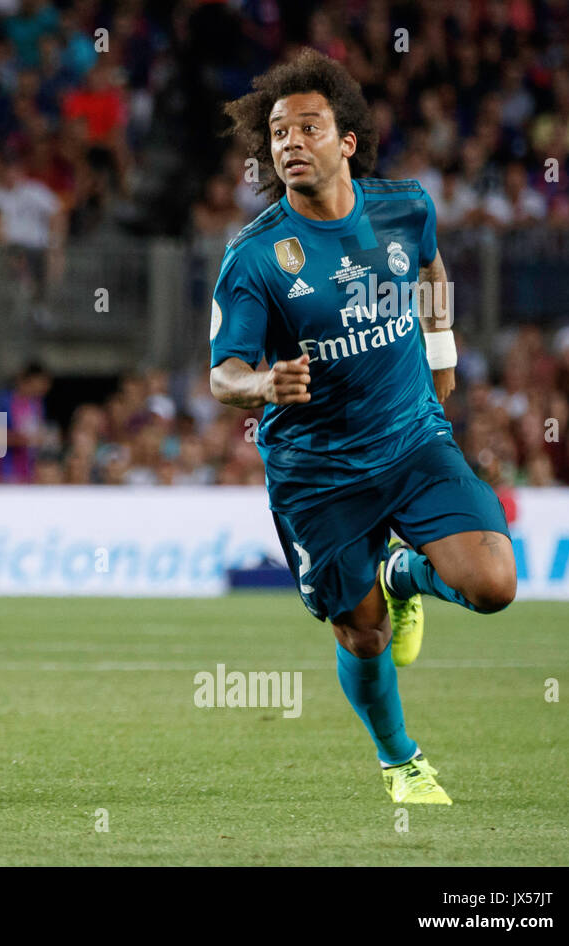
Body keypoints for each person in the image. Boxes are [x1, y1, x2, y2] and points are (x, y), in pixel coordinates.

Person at [208, 50, 517, 805]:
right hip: (319, 474)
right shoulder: (254, 257)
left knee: (493, 586)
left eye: (307, 127)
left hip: (412, 438)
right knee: (365, 635)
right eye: (278, 132)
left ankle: (406, 571)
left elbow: (434, 273)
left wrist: (442, 357)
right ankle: (401, 762)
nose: (288, 143)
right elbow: (221, 376)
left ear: (346, 141)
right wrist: (263, 385)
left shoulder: (406, 208)